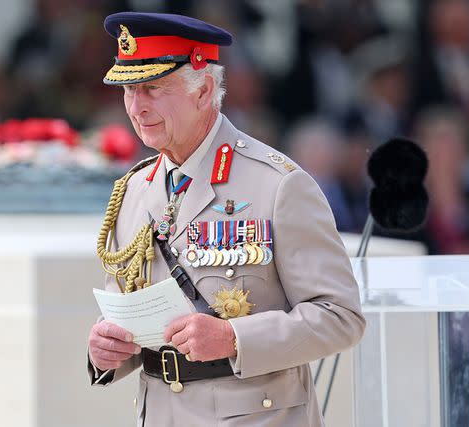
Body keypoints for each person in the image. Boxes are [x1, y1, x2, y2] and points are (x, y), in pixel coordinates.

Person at [87, 11, 365, 426]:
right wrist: (105, 352)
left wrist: (234, 339)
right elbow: (127, 313)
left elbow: (341, 317)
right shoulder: (133, 191)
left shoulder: (277, 184)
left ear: (203, 91)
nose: (136, 107)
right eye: (129, 90)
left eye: (153, 89)